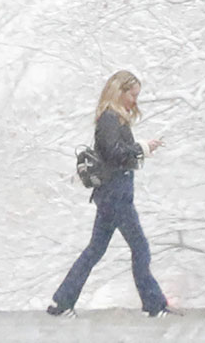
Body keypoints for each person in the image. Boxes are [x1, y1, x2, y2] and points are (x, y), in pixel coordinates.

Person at [48, 70, 170, 317]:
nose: (135, 100)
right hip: (116, 195)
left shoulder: (112, 119)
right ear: (120, 92)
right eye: (132, 95)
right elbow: (114, 153)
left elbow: (115, 151)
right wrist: (142, 148)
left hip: (111, 194)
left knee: (95, 250)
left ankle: (61, 302)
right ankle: (154, 305)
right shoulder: (109, 120)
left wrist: (141, 149)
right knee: (140, 247)